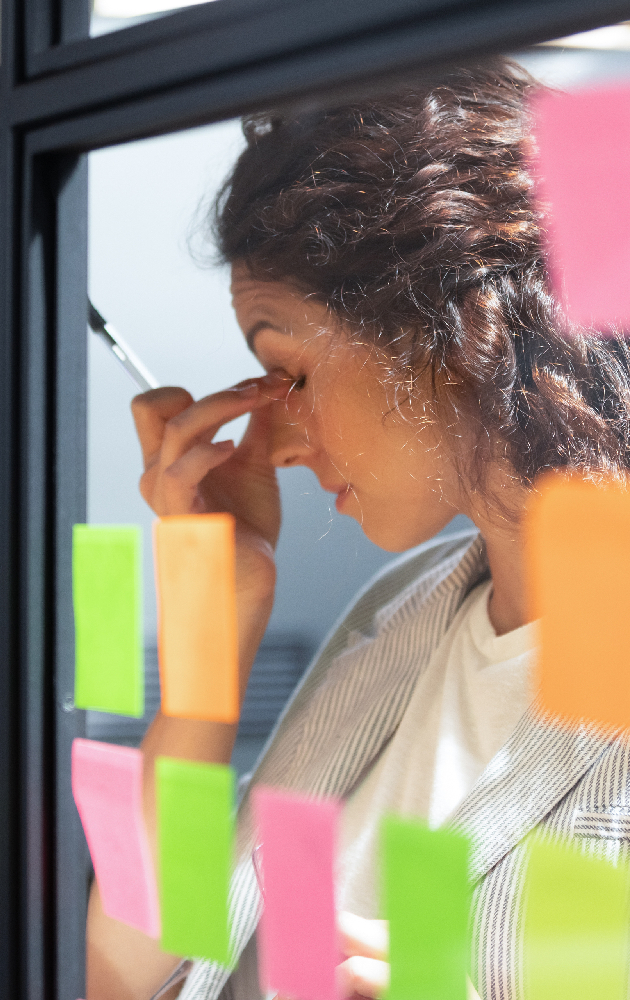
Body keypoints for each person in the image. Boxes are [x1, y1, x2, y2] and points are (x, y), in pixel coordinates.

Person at [86, 60, 630, 1000]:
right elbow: (125, 977)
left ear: (459, 334)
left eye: (290, 374)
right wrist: (211, 640)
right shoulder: (399, 611)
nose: (277, 444)